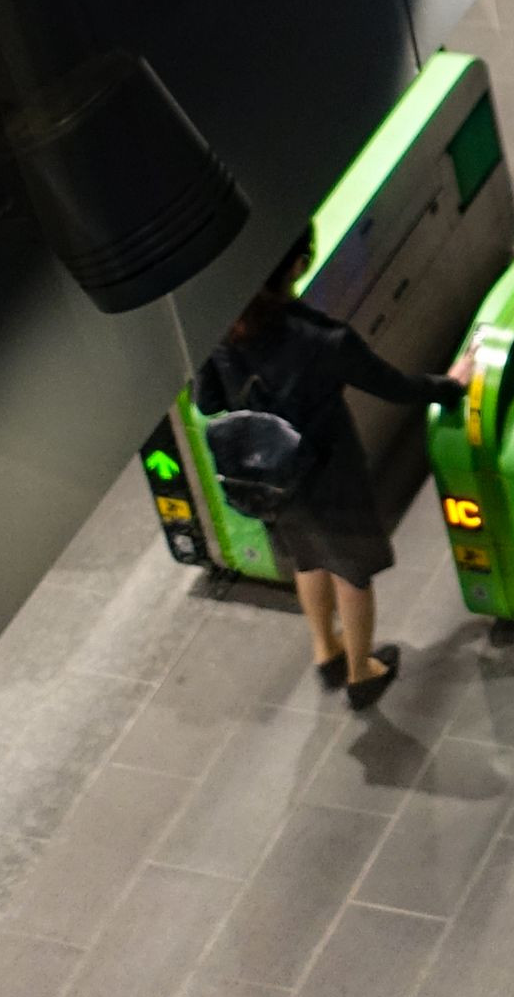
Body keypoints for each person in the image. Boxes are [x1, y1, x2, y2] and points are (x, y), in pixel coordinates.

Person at [195, 237, 465, 709]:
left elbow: (208, 402)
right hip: (331, 475)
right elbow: (396, 388)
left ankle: (326, 649)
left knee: (308, 557)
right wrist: (452, 384)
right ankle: (362, 673)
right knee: (352, 572)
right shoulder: (323, 339)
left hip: (269, 475)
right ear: (297, 265)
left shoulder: (224, 326)